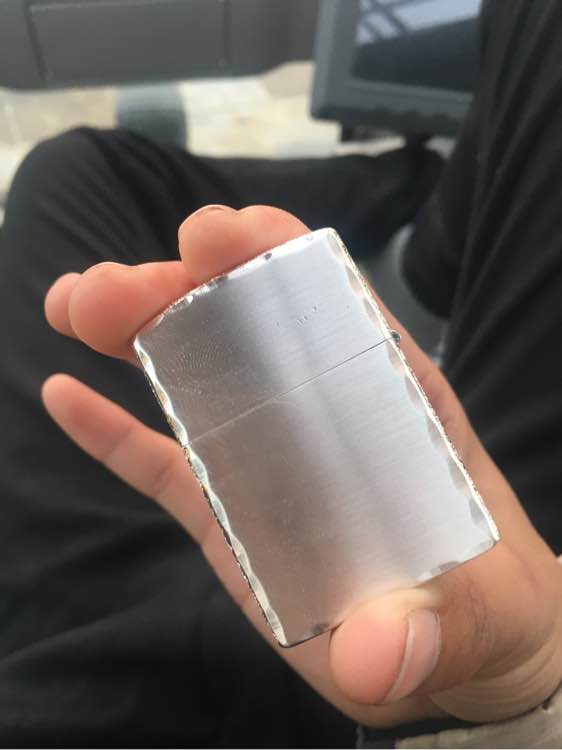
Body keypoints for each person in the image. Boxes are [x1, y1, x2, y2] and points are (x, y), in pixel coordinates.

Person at [1, 1, 562, 747]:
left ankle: (422, 214)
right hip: (328, 680)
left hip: (68, 637)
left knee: (68, 170)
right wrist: (520, 702)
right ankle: (431, 206)